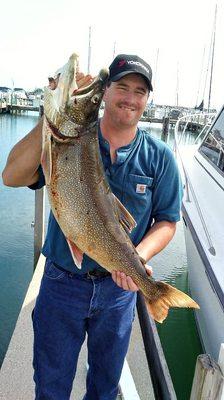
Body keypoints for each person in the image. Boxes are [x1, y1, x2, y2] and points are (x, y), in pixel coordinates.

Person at [2, 54, 183, 400]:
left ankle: (152, 292)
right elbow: (11, 176)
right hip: (61, 283)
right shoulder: (63, 141)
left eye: (139, 91)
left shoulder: (160, 157)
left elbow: (168, 220)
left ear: (147, 99)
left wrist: (139, 257)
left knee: (104, 387)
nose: (130, 98)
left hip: (119, 294)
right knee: (51, 385)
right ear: (107, 92)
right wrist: (52, 117)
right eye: (122, 87)